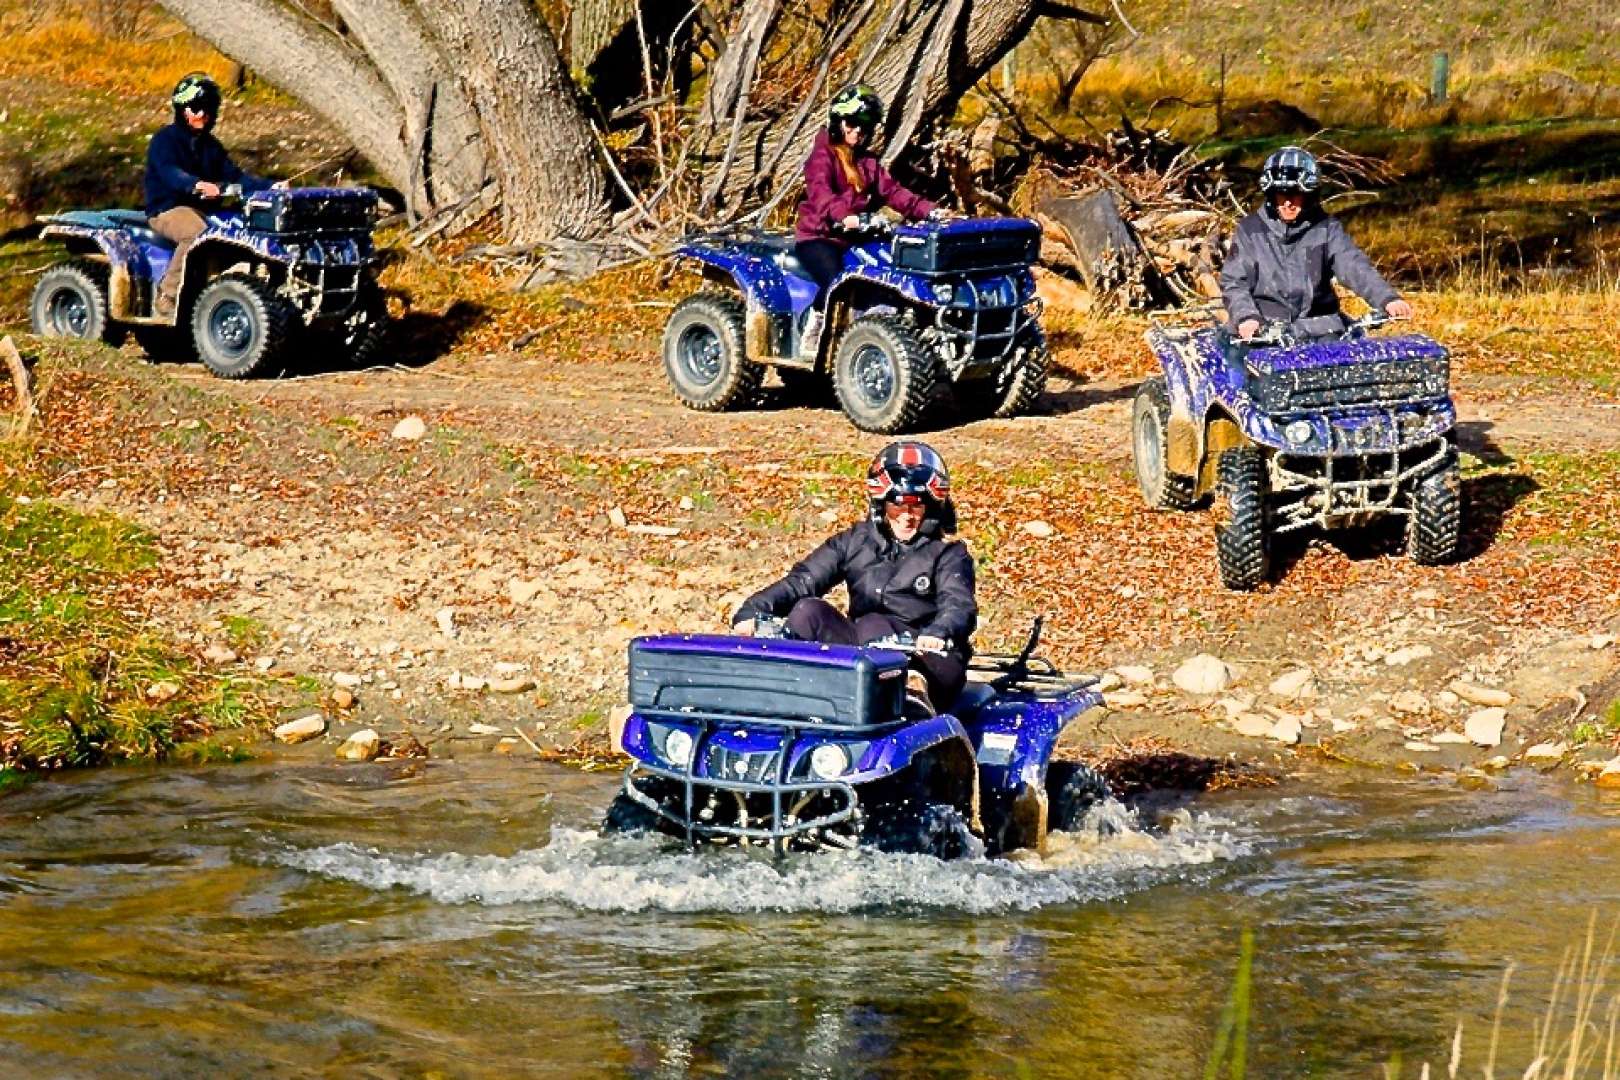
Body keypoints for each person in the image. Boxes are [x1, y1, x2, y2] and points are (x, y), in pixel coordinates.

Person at [732, 440, 976, 715]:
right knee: (808, 611)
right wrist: (753, 610)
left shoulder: (949, 554)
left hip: (929, 657)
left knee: (873, 623)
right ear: (881, 505)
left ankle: (912, 697)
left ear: (931, 508)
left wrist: (939, 632)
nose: (907, 516)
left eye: (916, 507)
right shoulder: (854, 542)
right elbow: (803, 580)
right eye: (898, 505)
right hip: (863, 654)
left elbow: (958, 605)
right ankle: (777, 693)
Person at [794, 84, 944, 358]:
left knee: (894, 269)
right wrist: (847, 217)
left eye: (865, 126)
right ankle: (814, 330)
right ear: (838, 121)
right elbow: (822, 195)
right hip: (820, 237)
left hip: (856, 237)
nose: (858, 131)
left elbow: (894, 192)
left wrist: (930, 211)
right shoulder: (822, 156)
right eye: (852, 124)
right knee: (837, 280)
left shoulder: (868, 163)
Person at [1220, 145, 1413, 341]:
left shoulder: (1327, 228)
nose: (1288, 203)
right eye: (1282, 194)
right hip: (1265, 332)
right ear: (1271, 194)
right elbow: (1235, 282)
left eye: (1295, 194)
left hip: (1320, 329)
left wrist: (1387, 299)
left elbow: (1354, 266)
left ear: (1309, 195)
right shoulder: (1250, 230)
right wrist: (1247, 318)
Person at [144, 73, 279, 317]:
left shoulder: (211, 147)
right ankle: (168, 295)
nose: (201, 115)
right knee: (197, 234)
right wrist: (197, 185)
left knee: (243, 230)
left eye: (208, 109)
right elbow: (170, 173)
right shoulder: (165, 141)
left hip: (208, 211)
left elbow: (237, 177)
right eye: (195, 108)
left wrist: (271, 187)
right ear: (182, 109)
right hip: (168, 209)